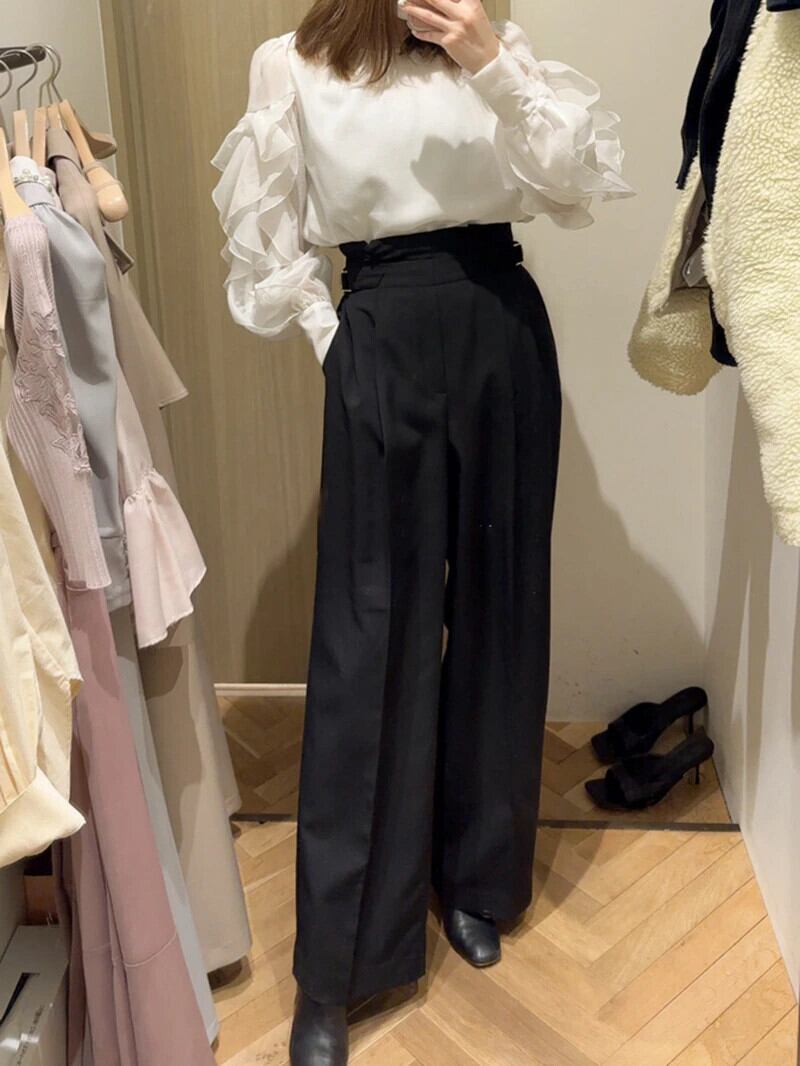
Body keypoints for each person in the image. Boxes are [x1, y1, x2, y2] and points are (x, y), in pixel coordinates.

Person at [212, 2, 632, 1062]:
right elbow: (265, 238)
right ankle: (341, 962)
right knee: (369, 638)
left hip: (501, 323)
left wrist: (486, 57)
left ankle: (478, 875)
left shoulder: (489, 47)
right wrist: (337, 343)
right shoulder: (291, 63)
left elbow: (572, 181)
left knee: (500, 608)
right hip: (381, 327)